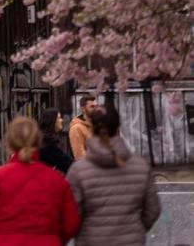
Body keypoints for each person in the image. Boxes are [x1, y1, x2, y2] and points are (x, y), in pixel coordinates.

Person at [0, 115, 79, 246]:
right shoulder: (56, 180)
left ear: (10, 143)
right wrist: (54, 239)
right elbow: (70, 222)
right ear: (37, 141)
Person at [67, 103, 161, 245]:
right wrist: (135, 229)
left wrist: (84, 233)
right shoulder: (141, 166)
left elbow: (71, 215)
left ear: (91, 127)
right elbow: (153, 209)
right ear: (118, 127)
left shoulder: (78, 171)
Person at [37, 109, 73, 175]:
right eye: (59, 118)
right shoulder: (48, 143)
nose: (62, 120)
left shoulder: (45, 139)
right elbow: (65, 163)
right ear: (52, 121)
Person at [68, 95, 97, 160]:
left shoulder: (97, 125)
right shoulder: (76, 128)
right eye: (92, 107)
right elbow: (80, 155)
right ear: (83, 109)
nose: (95, 109)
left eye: (96, 106)